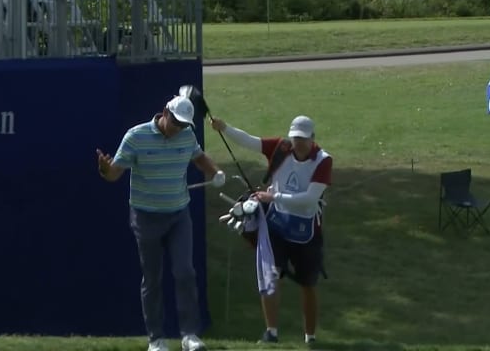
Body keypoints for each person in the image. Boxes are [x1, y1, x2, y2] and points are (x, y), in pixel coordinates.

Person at [96, 95, 225, 351]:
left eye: (184, 124)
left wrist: (215, 171)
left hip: (179, 215)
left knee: (185, 272)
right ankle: (156, 339)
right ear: (165, 112)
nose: (178, 127)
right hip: (146, 217)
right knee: (152, 279)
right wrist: (104, 169)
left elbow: (198, 157)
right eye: (176, 121)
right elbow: (113, 175)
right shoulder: (136, 136)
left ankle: (190, 335)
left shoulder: (187, 135)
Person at [210, 115, 332, 346]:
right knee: (271, 275)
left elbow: (309, 199)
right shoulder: (280, 148)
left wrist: (272, 196)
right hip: (276, 225)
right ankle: (271, 333)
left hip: (308, 231)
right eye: (296, 138)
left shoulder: (323, 160)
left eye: (304, 139)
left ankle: (310, 337)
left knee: (308, 284)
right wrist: (224, 128)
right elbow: (248, 141)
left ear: (313, 139)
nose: (299, 144)